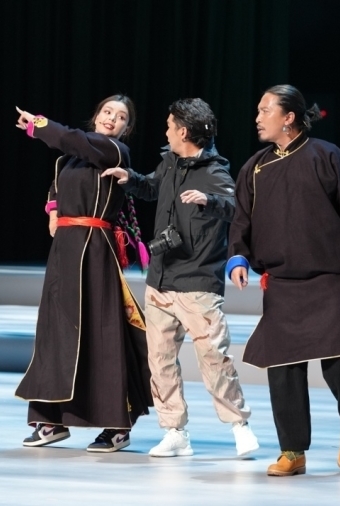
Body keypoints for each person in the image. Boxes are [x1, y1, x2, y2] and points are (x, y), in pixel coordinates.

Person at [227, 85, 340, 476]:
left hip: (328, 279)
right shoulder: (255, 167)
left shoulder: (327, 156)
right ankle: (292, 450)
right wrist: (238, 257)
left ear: (289, 118)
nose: (257, 118)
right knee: (282, 368)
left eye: (265, 110)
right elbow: (242, 219)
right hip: (282, 283)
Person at [101, 98, 259, 458]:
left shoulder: (216, 171)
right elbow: (153, 187)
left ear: (184, 132)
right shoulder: (169, 162)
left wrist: (208, 200)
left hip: (197, 282)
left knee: (214, 357)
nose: (167, 131)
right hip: (160, 280)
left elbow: (238, 209)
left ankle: (239, 425)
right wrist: (131, 179)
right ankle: (174, 431)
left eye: (170, 126)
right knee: (160, 360)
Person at [13, 95, 152, 453]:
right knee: (55, 331)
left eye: (121, 117)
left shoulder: (113, 151)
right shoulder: (68, 159)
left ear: (126, 128)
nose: (112, 119)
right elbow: (57, 185)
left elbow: (71, 139)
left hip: (95, 250)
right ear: (96, 115)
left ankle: (117, 425)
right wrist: (53, 210)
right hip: (65, 250)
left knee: (102, 334)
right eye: (107, 112)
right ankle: (51, 420)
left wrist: (38, 125)